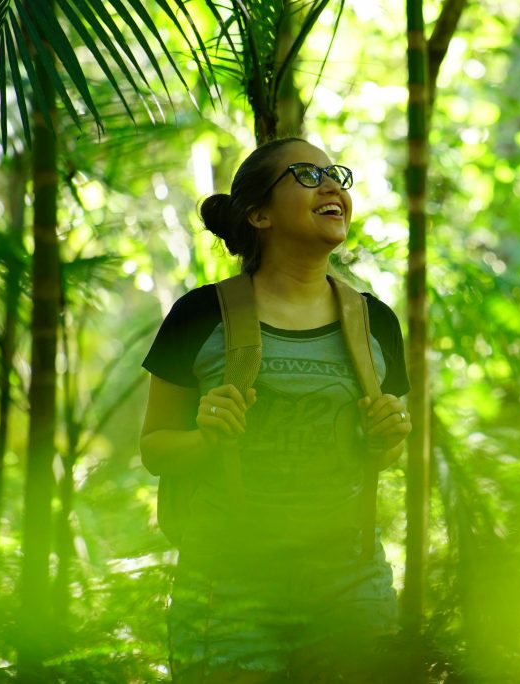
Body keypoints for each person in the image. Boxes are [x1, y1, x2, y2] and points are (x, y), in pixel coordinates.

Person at [140, 137, 412, 683]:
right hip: (229, 590)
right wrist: (205, 435)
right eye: (307, 175)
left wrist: (387, 439)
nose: (332, 184)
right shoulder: (200, 315)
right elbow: (155, 451)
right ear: (259, 214)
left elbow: (379, 457)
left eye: (335, 173)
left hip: (351, 589)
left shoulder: (375, 322)